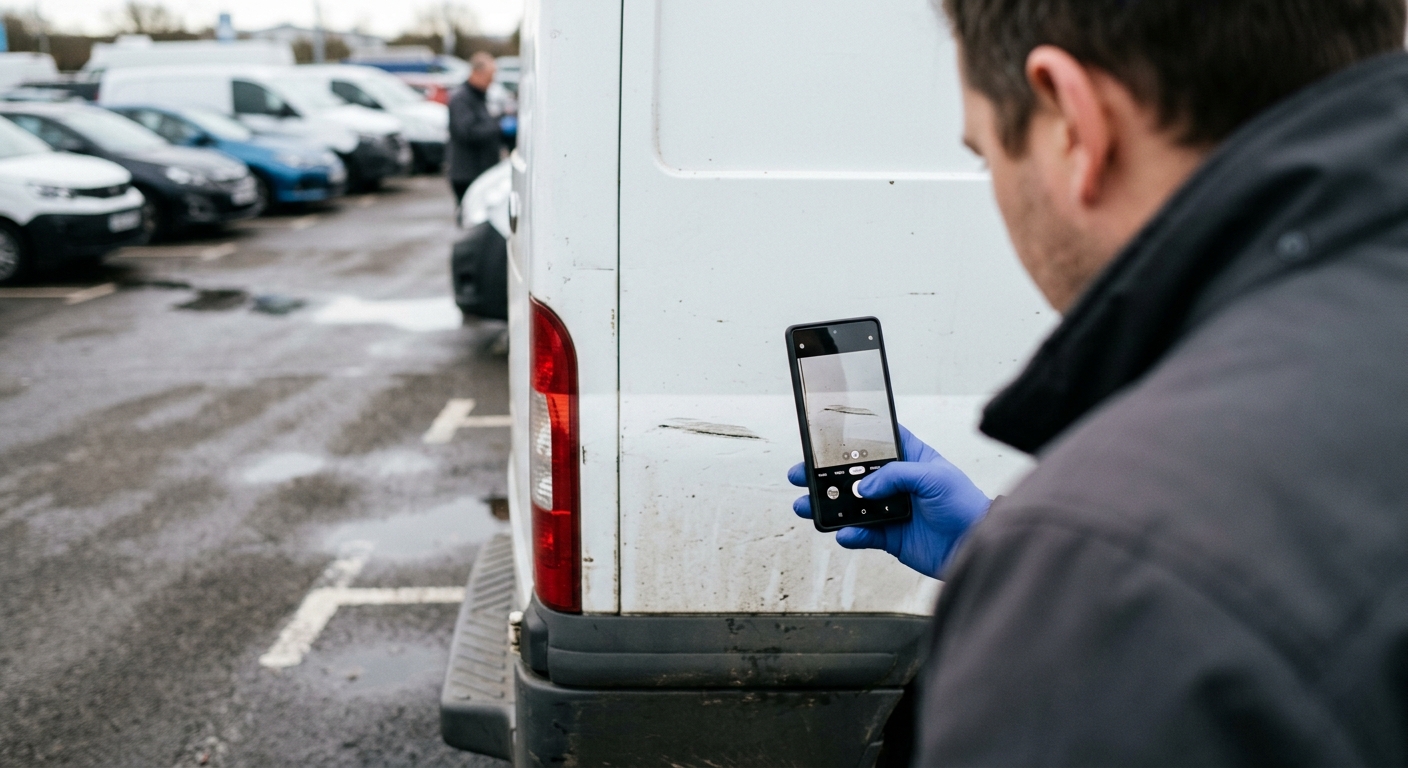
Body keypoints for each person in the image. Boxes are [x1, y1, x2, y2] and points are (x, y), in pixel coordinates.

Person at [788, 0, 1408, 763]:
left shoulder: (1114, 573)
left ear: (1072, 122)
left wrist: (1058, 572)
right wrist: (992, 539)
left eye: (988, 156)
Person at [447, 52, 503, 204]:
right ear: (476, 73)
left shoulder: (480, 96)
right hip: (467, 174)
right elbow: (467, 132)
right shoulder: (461, 98)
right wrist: (498, 126)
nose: (492, 80)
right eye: (490, 76)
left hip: (481, 172)